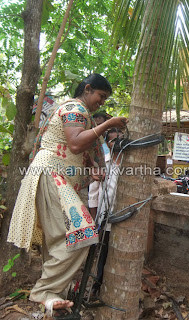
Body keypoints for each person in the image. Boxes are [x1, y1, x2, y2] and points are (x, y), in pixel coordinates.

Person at [7, 74, 128, 315]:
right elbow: (74, 144)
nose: (101, 102)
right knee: (81, 235)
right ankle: (44, 291)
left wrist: (88, 174)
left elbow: (73, 157)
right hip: (51, 174)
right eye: (101, 96)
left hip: (54, 176)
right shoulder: (75, 107)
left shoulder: (80, 113)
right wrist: (108, 124)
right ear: (87, 89)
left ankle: (54, 301)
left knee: (58, 242)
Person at [88, 128, 123, 294]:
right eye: (114, 140)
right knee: (103, 251)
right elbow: (93, 194)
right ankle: (98, 285)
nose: (117, 143)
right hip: (105, 216)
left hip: (124, 217)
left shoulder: (130, 164)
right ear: (107, 144)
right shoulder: (102, 164)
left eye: (121, 139)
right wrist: (94, 219)